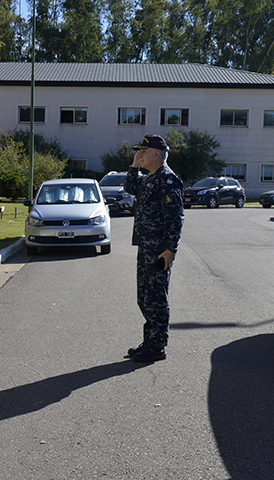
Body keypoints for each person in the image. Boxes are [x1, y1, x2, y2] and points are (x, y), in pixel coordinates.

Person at [124, 135, 184, 363]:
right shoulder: (150, 179)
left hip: (159, 250)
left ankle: (157, 347)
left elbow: (175, 217)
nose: (139, 154)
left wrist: (171, 249)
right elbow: (130, 186)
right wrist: (134, 164)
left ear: (156, 154)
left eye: (143, 151)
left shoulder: (167, 180)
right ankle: (149, 341)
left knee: (157, 298)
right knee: (144, 297)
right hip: (146, 247)